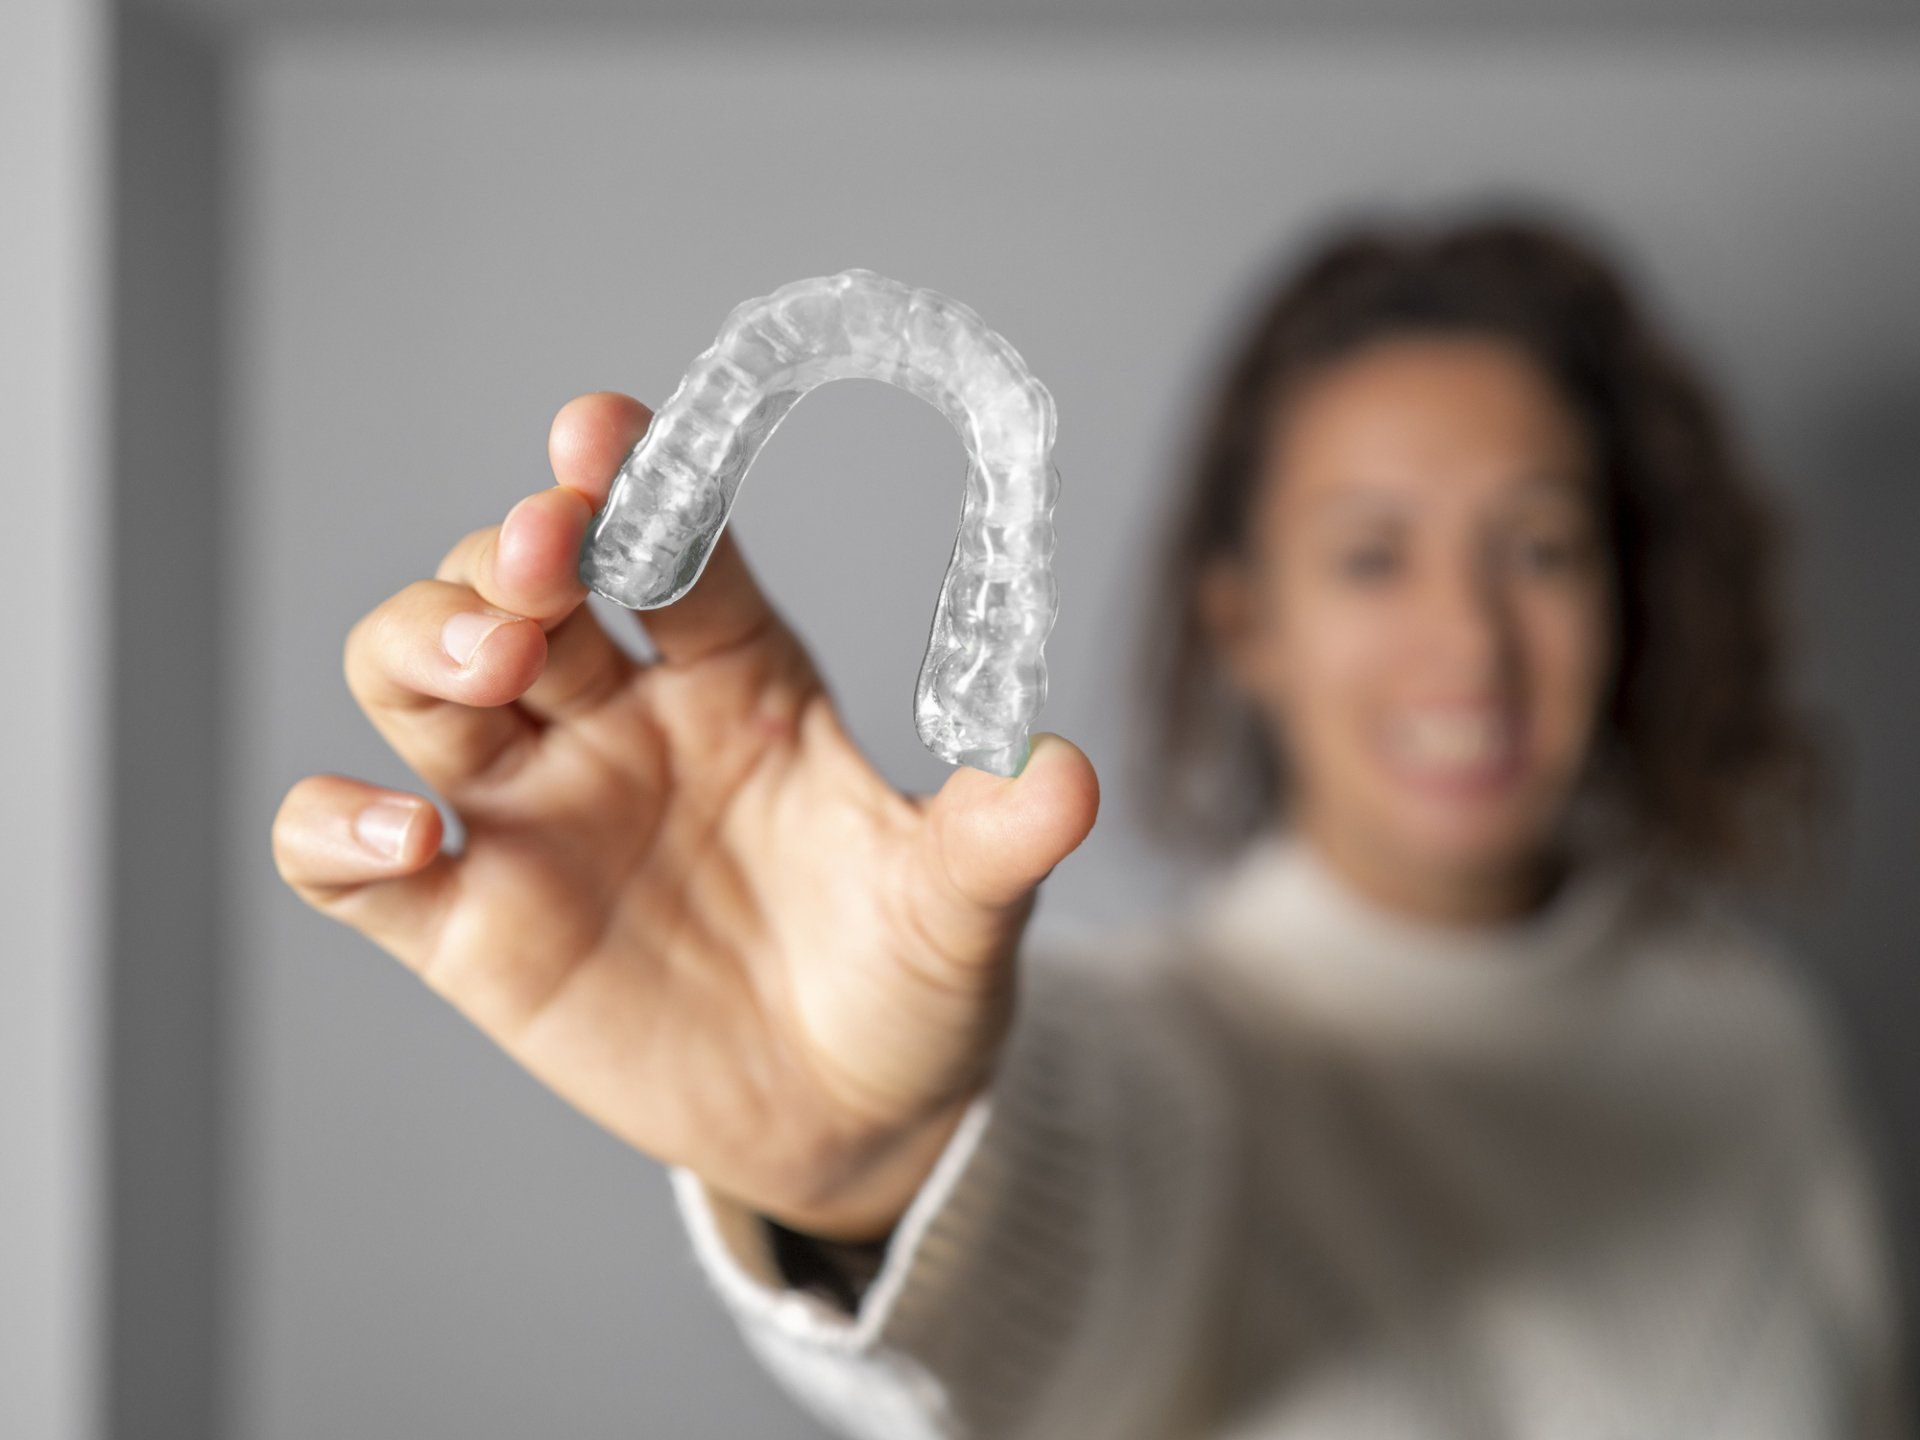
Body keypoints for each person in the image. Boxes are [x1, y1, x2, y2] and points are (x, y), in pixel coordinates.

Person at [271, 211, 1911, 1438]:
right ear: (1243, 618)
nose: (1469, 642)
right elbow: (1069, 1229)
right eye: (1371, 554)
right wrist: (879, 1169)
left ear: (1632, 594)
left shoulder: (1757, 1042)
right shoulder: (1173, 1063)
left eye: (1542, 548)